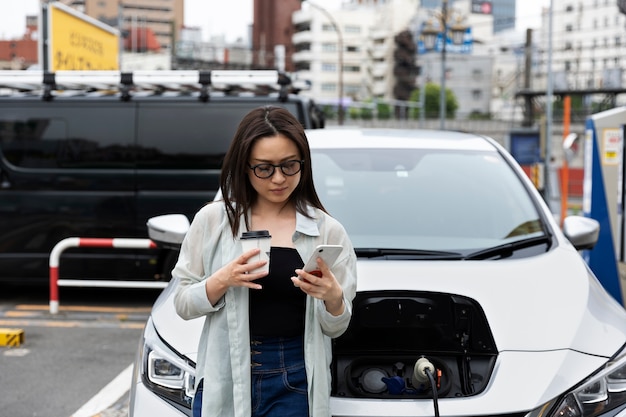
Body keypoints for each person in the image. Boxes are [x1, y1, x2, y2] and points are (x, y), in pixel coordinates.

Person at [173, 105, 357, 417]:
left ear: (304, 164)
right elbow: (182, 303)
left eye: (289, 166)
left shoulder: (327, 230)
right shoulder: (214, 220)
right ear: (244, 166)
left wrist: (334, 298)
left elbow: (337, 326)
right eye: (264, 168)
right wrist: (223, 279)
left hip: (296, 376)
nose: (278, 179)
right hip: (225, 371)